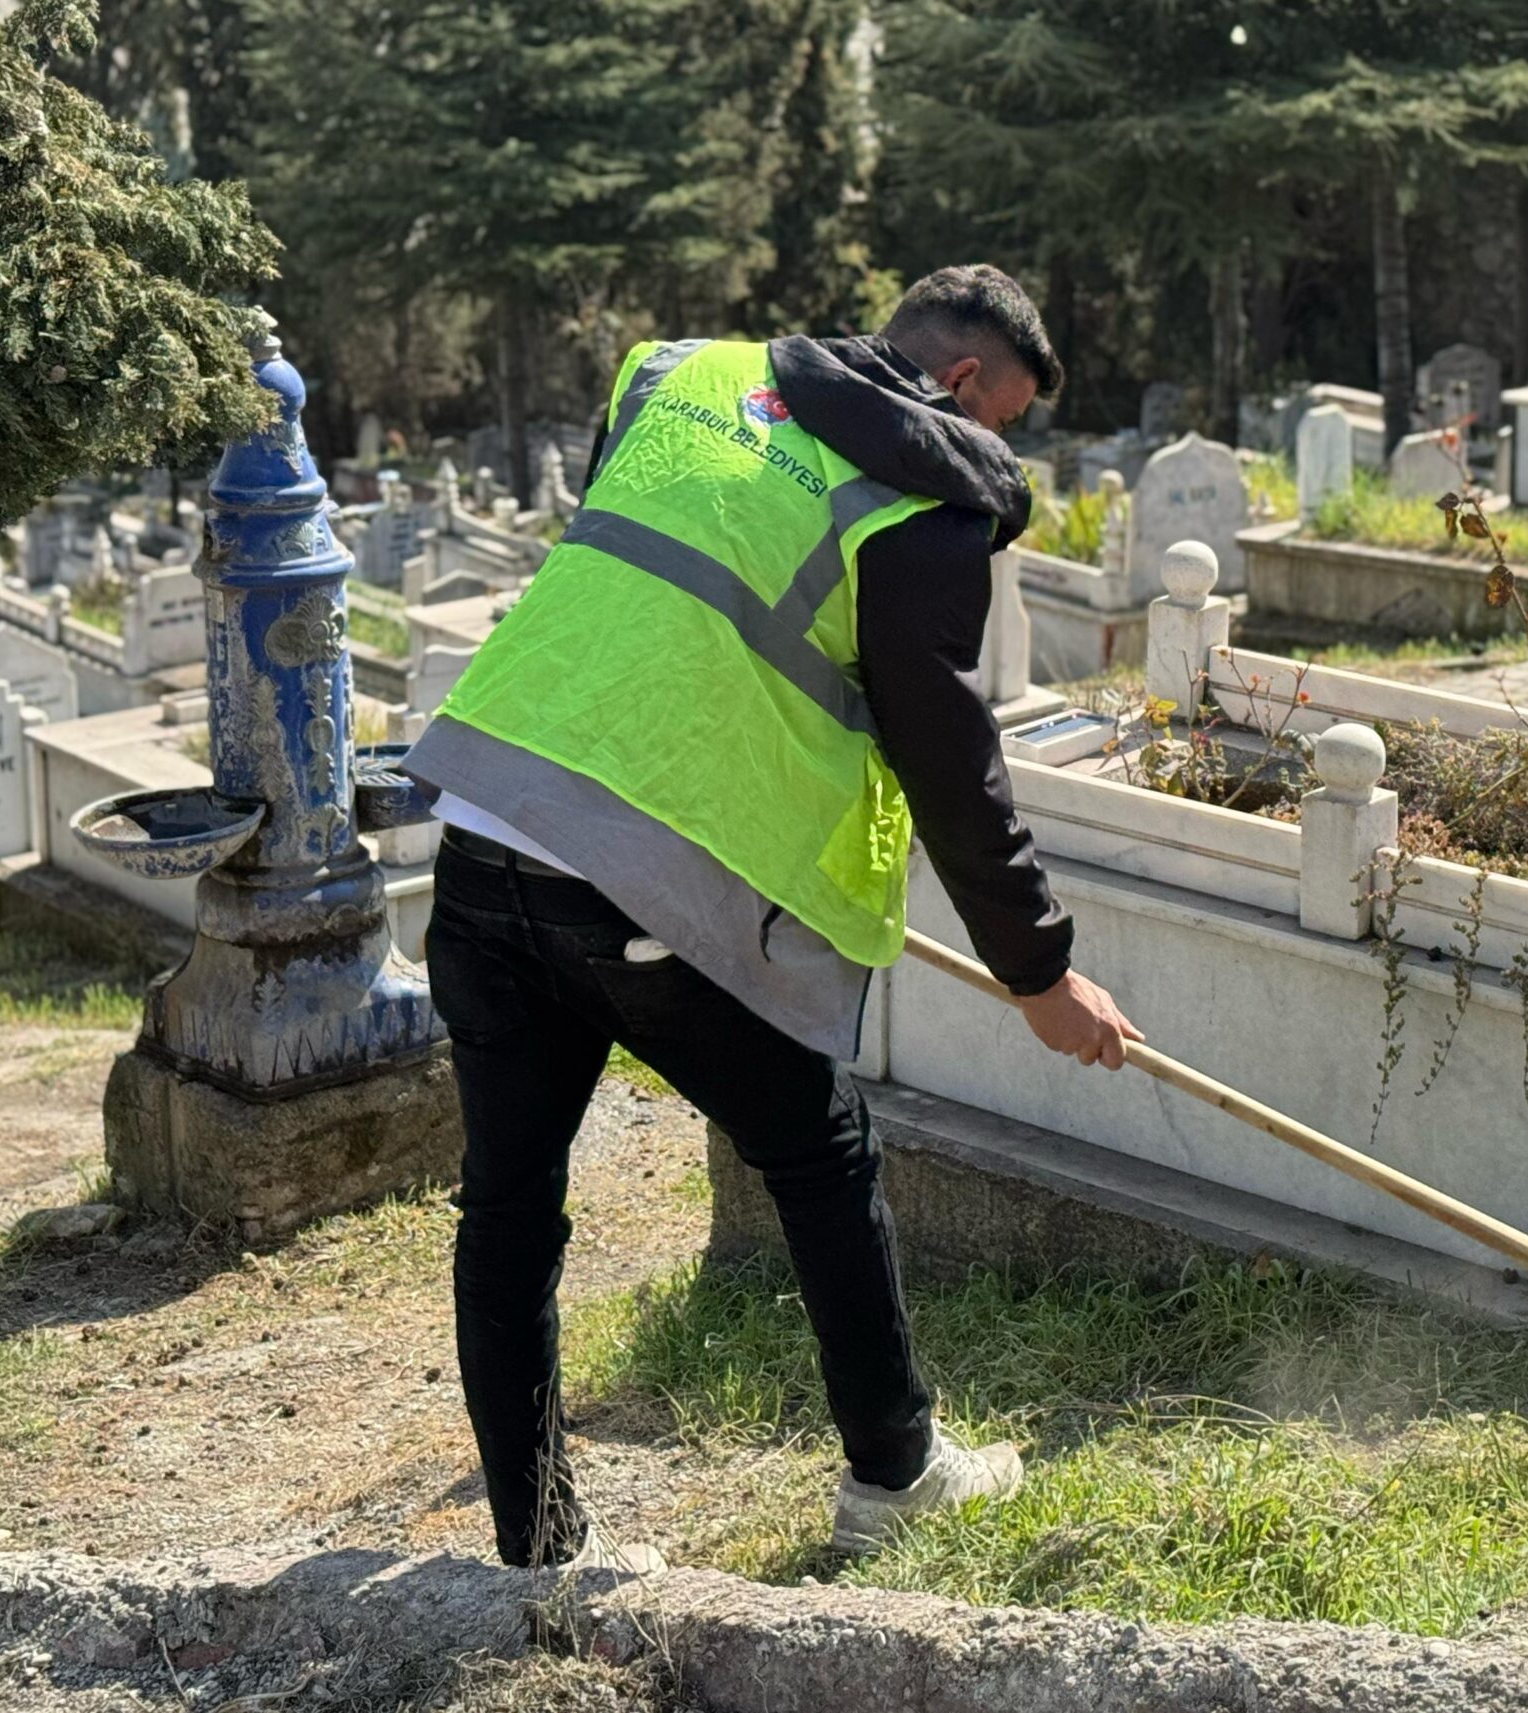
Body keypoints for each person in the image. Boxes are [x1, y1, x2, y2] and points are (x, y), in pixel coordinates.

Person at [402, 264, 1142, 1572]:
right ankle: (895, 1471)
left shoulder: (675, 370)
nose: (997, 450)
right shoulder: (923, 509)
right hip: (651, 887)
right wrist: (1042, 974)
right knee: (819, 1154)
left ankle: (539, 1552)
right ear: (964, 383)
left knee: (507, 1210)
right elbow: (948, 756)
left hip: (487, 820)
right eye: (1007, 420)